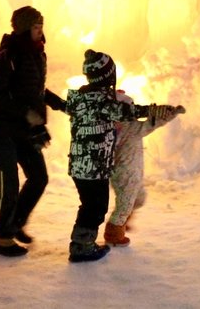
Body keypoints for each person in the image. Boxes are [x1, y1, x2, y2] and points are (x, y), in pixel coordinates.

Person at [0, 6, 66, 257]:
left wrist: (60, 103)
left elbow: (35, 89)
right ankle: (1, 238)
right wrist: (28, 113)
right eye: (35, 26)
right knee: (7, 185)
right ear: (23, 28)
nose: (40, 30)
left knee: (39, 177)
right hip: (2, 129)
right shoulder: (9, 54)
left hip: (24, 130)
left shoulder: (37, 53)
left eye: (41, 25)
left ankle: (15, 222)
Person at [65, 49, 154, 263]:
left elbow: (67, 107)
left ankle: (82, 242)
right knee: (95, 206)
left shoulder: (81, 98)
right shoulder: (104, 101)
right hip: (95, 165)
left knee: (90, 205)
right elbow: (128, 112)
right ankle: (82, 246)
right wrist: (155, 111)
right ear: (108, 76)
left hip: (79, 163)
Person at [104, 91, 185, 246]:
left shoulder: (111, 127)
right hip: (126, 174)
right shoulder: (130, 127)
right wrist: (171, 113)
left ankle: (121, 221)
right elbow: (153, 122)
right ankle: (114, 235)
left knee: (138, 199)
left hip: (129, 172)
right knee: (125, 203)